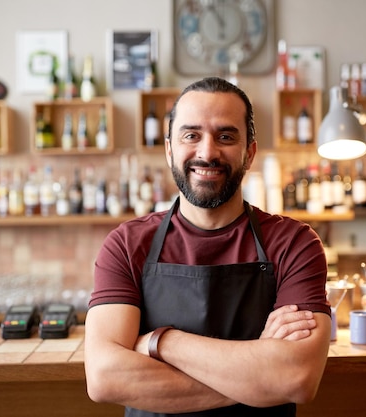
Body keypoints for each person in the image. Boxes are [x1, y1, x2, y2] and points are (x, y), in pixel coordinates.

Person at [84, 77, 331, 417]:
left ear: (250, 152)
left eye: (226, 136)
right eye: (191, 135)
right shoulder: (126, 245)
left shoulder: (294, 244)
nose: (207, 152)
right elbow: (104, 378)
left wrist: (160, 342)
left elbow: (296, 379)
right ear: (170, 148)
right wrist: (258, 374)